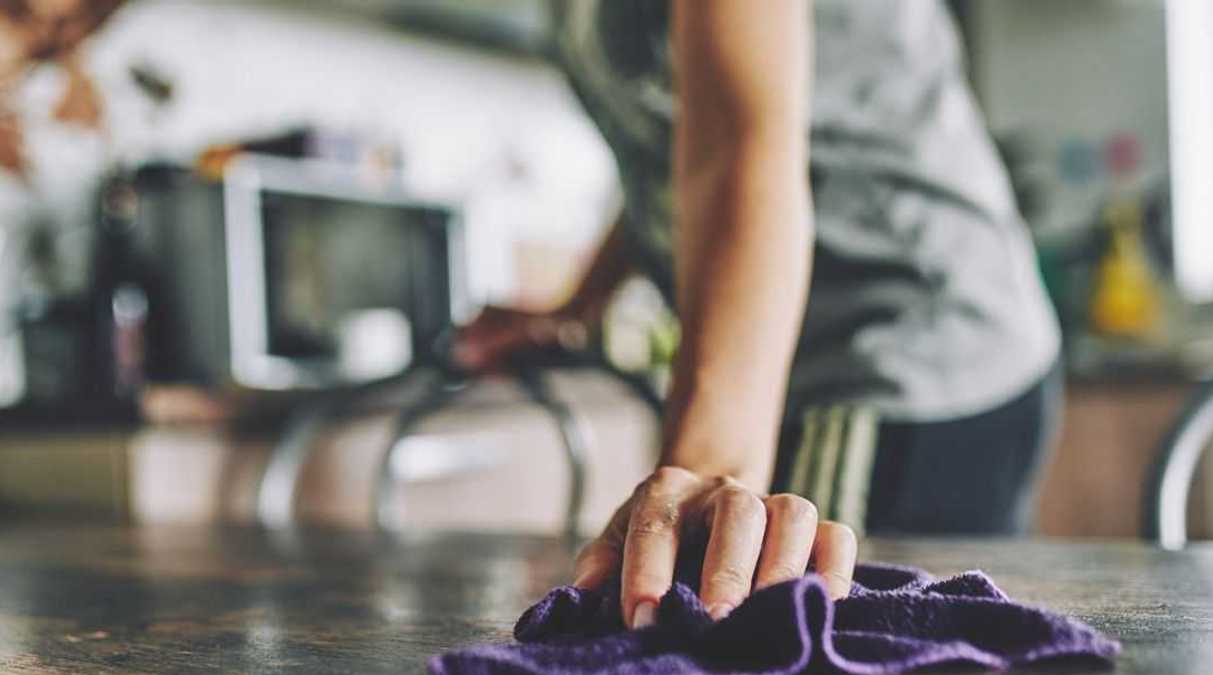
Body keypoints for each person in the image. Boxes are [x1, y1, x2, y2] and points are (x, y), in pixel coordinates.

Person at [455, 1, 1061, 631]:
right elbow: (674, 159)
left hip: (905, 339)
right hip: (814, 356)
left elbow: (734, 147)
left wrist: (707, 475)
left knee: (787, 629)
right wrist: (581, 305)